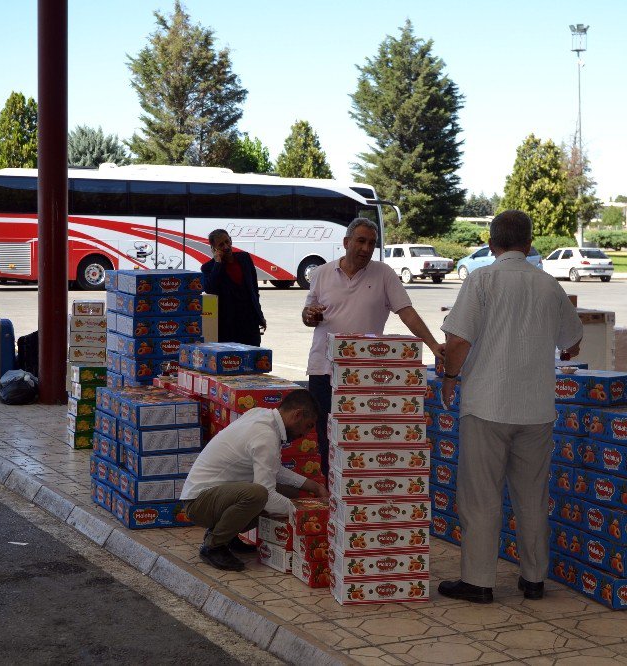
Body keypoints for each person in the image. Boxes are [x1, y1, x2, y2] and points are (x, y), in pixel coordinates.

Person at [437, 210, 583, 604]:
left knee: (481, 496)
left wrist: (450, 379)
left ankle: (479, 581)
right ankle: (534, 578)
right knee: (531, 496)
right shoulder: (549, 284)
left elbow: (458, 341)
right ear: (529, 244)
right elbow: (573, 340)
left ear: (491, 244)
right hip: (536, 410)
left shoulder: (481, 279)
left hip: (486, 405)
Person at [301, 218, 445, 478]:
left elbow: (407, 312)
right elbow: (308, 313)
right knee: (327, 437)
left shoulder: (384, 273)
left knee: (361, 439)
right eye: (360, 241)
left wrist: (433, 344)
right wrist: (310, 315)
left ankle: (359, 500)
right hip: (323, 370)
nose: (366, 248)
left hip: (364, 376)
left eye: (371, 243)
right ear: (346, 243)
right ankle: (332, 496)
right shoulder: (322, 273)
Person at [180, 389, 329, 571]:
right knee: (259, 494)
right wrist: (306, 514)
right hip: (198, 502)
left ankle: (228, 536)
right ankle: (213, 546)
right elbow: (268, 496)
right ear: (297, 415)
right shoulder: (265, 435)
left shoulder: (261, 415)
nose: (305, 435)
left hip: (214, 495)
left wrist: (314, 486)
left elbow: (272, 468)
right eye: (307, 426)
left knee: (286, 492)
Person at [200, 229, 267, 346]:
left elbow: (254, 291)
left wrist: (260, 316)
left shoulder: (245, 258)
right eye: (221, 245)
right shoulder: (208, 267)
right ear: (213, 248)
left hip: (249, 323)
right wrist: (218, 263)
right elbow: (209, 288)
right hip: (228, 326)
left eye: (227, 241)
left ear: (231, 240)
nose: (226, 247)